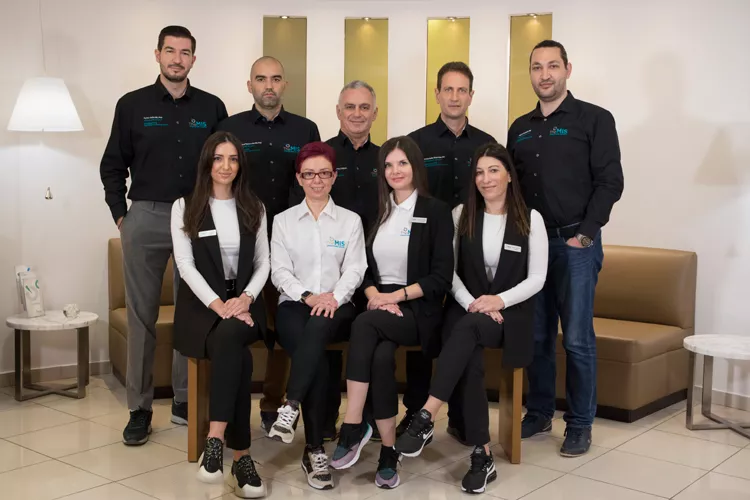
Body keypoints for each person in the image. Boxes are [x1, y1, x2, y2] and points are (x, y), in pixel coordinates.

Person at [394, 143, 548, 494]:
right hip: (466, 309)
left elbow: (537, 278)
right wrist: (473, 303)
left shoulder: (530, 218)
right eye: (479, 172)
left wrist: (499, 300)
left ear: (509, 175)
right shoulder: (461, 214)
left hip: (510, 314)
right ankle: (483, 453)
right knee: (470, 353)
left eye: (493, 170)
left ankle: (426, 414)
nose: (486, 179)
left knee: (466, 333)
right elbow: (448, 272)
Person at [100, 25, 228, 446]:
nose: (177, 59)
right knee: (142, 317)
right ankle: (139, 409)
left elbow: (224, 164)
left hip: (197, 216)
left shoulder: (211, 107)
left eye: (185, 52)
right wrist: (123, 216)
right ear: (157, 55)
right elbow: (112, 165)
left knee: (195, 311)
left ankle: (184, 400)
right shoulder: (132, 104)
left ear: (194, 59)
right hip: (147, 217)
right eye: (170, 51)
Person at [508, 40, 624, 457]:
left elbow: (610, 182)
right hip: (534, 248)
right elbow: (513, 190)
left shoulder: (595, 119)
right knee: (538, 336)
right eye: (537, 67)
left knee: (576, 338)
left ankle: (579, 424)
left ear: (567, 70)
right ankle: (539, 412)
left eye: (552, 66)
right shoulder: (519, 128)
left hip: (577, 244)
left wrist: (586, 235)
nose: (545, 74)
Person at [330, 136, 454, 490]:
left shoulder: (435, 211)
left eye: (402, 163)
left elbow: (441, 277)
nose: (395, 171)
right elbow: (362, 268)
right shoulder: (376, 211)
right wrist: (375, 295)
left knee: (364, 324)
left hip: (418, 309)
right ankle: (388, 452)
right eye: (388, 165)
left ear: (416, 166)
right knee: (381, 356)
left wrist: (395, 297)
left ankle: (353, 423)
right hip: (379, 306)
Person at [217, 56, 321, 434]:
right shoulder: (230, 128)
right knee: (238, 325)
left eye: (276, 79)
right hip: (241, 245)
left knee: (284, 328)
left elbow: (311, 182)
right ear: (250, 86)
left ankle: (274, 403)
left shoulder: (305, 128)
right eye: (261, 79)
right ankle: (228, 406)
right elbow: (220, 181)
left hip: (290, 245)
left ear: (285, 85)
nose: (269, 86)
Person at [171, 131, 268, 498]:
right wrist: (219, 304)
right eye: (218, 158)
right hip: (203, 306)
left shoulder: (254, 207)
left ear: (240, 165)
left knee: (231, 338)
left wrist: (245, 298)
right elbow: (185, 265)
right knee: (238, 354)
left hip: (245, 303)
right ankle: (241, 457)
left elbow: (263, 262)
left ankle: (214, 439)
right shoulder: (185, 206)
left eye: (233, 159)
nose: (226, 166)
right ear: (207, 163)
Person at [404, 61, 495, 444]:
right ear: (437, 94)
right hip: (425, 252)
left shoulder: (486, 145)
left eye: (462, 90)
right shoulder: (416, 143)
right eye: (448, 89)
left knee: (461, 330)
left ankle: (459, 418)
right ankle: (414, 413)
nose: (454, 97)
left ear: (471, 96)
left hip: (471, 254)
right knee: (423, 331)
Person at [267, 142, 367, 490]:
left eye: (324, 173)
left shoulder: (350, 221)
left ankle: (291, 404)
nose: (317, 180)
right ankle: (314, 449)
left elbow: (355, 269)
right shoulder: (283, 221)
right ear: (299, 178)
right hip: (295, 306)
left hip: (340, 307)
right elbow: (279, 271)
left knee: (321, 323)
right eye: (309, 174)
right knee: (318, 358)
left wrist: (333, 298)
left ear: (334, 176)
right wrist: (309, 296)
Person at [322, 80, 382, 442]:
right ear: (338, 112)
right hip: (332, 267)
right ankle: (326, 417)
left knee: (372, 339)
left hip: (378, 269)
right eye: (350, 107)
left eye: (364, 107)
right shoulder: (323, 156)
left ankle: (371, 419)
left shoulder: (387, 158)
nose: (356, 114)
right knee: (329, 339)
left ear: (375, 113)